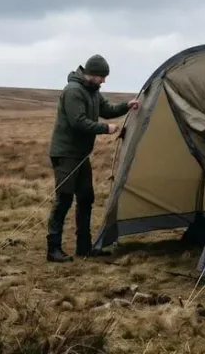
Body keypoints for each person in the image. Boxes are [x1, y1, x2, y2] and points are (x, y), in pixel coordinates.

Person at [46, 54, 139, 262]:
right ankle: (53, 249)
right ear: (92, 74)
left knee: (86, 198)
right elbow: (78, 121)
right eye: (102, 77)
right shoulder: (73, 91)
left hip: (80, 155)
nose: (104, 81)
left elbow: (107, 110)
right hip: (65, 154)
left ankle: (84, 247)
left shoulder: (93, 92)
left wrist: (127, 105)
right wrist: (105, 129)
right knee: (64, 200)